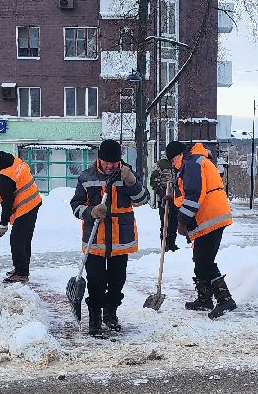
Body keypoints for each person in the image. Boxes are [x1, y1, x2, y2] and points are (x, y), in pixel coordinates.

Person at [71, 140, 148, 336]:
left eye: (113, 162)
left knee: (116, 282)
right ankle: (95, 317)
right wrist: (91, 211)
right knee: (96, 281)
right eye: (106, 162)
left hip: (120, 239)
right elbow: (76, 206)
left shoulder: (127, 174)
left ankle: (110, 313)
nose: (109, 166)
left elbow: (143, 199)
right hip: (95, 239)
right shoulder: (87, 177)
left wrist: (132, 182)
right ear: (99, 159)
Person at [166, 139, 236, 318]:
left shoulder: (191, 164)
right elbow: (188, 194)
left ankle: (225, 299)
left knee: (205, 261)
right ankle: (204, 299)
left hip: (210, 217)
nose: (173, 165)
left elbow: (194, 194)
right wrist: (173, 200)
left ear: (179, 155)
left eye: (173, 160)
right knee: (200, 258)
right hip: (210, 216)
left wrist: (182, 221)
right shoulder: (195, 161)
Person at [0, 144, 41, 283]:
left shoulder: (3, 175)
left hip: (26, 206)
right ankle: (22, 268)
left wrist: (3, 224)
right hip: (34, 200)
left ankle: (21, 273)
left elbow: (7, 202)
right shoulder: (11, 159)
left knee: (17, 240)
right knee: (24, 239)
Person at [149, 157, 180, 252]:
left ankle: (172, 243)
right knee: (165, 222)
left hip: (175, 198)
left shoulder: (177, 163)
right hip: (163, 199)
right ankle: (165, 244)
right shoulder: (161, 164)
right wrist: (160, 192)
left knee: (174, 222)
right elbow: (153, 180)